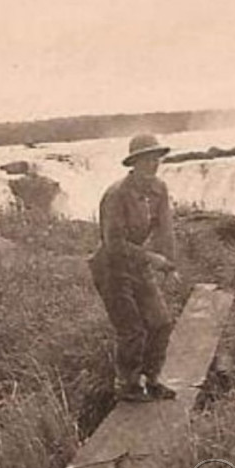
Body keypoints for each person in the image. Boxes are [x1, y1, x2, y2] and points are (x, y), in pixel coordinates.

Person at [88, 133, 178, 402]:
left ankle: (152, 379)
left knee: (161, 322)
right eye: (147, 159)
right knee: (132, 329)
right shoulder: (116, 195)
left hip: (138, 264)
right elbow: (114, 245)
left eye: (156, 158)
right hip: (111, 268)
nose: (153, 164)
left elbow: (165, 229)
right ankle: (127, 385)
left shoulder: (159, 189)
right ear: (134, 163)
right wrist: (153, 259)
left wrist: (170, 264)